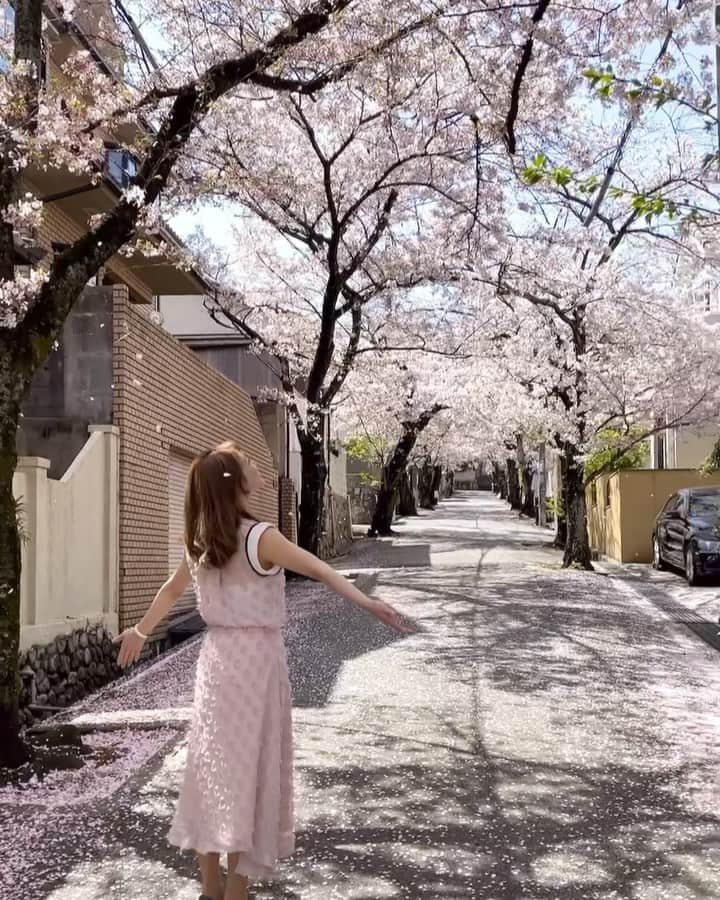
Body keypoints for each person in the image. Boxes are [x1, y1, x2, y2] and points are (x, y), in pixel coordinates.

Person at [114, 441, 412, 900]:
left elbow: (171, 592)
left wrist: (139, 630)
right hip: (256, 662)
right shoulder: (260, 537)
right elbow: (321, 570)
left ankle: (210, 887)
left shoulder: (201, 539)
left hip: (216, 663)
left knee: (214, 769)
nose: (256, 466)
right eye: (247, 463)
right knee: (251, 772)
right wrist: (369, 603)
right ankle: (237, 889)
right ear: (236, 484)